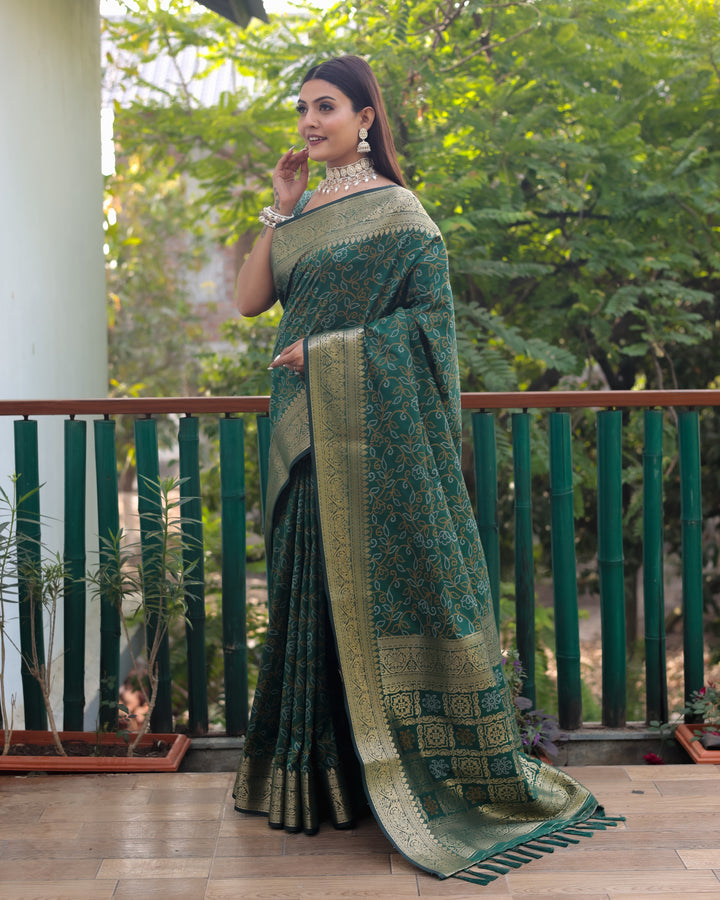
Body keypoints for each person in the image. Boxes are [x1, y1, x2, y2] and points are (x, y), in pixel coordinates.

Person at [232, 54, 617, 886]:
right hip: (304, 439)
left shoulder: (402, 215)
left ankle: (404, 786)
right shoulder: (303, 211)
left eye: (326, 108)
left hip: (372, 446)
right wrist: (282, 206)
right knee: (309, 601)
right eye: (302, 108)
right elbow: (248, 300)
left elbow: (432, 332)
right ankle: (318, 782)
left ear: (367, 117)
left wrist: (334, 353)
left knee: (367, 599)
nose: (308, 122)